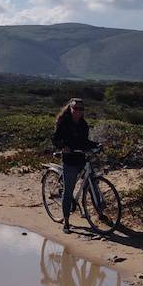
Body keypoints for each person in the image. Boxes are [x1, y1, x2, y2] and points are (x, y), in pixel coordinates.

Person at [51, 97, 98, 233]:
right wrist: (63, 147)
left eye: (81, 109)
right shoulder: (63, 123)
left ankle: (99, 212)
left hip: (80, 158)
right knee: (68, 191)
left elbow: (84, 141)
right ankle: (66, 221)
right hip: (70, 160)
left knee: (92, 184)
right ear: (70, 108)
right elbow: (55, 138)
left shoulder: (83, 124)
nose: (78, 111)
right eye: (75, 108)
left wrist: (96, 145)